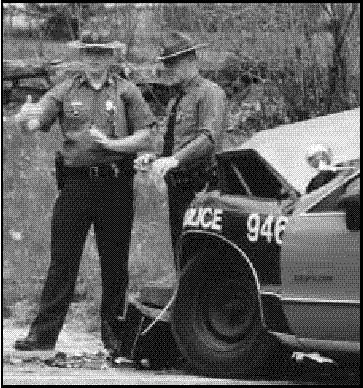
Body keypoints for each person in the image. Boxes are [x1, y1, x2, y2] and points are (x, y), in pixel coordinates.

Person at [13, 30, 156, 353]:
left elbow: (146, 134)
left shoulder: (125, 91)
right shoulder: (65, 90)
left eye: (101, 53)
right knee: (63, 260)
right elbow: (35, 123)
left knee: (115, 263)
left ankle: (114, 335)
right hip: (76, 185)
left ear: (111, 57)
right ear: (82, 56)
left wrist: (114, 145)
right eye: (90, 53)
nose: (95, 59)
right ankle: (43, 335)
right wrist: (24, 119)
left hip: (116, 185)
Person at [91, 31, 227, 258]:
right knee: (182, 250)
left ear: (191, 61)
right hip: (179, 187)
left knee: (202, 253)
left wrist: (175, 160)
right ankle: (185, 292)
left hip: (203, 186)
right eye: (166, 63)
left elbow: (208, 138)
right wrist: (155, 157)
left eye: (173, 62)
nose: (168, 68)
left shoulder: (210, 93)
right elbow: (173, 143)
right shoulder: (176, 99)